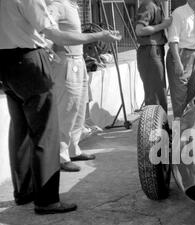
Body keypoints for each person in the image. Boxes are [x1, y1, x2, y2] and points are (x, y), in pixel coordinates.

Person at [0, 0, 120, 214]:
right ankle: (46, 200)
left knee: (20, 131)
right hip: (29, 60)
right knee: (46, 132)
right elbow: (54, 34)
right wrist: (99, 36)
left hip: (6, 63)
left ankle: (24, 192)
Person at [46, 0, 95, 172]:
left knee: (79, 108)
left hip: (78, 60)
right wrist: (53, 55)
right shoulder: (57, 5)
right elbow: (47, 32)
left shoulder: (72, 6)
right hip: (67, 62)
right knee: (67, 109)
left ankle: (74, 149)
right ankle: (61, 156)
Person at [166, 0, 195, 118]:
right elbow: (173, 40)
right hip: (181, 56)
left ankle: (189, 131)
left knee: (192, 97)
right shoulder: (178, 13)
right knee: (179, 99)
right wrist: (178, 63)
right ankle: (177, 134)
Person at [135, 0, 172, 115]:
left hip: (156, 49)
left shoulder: (158, 5)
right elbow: (139, 30)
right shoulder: (148, 5)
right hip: (150, 50)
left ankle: (161, 127)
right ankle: (154, 129)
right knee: (154, 94)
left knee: (160, 92)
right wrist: (162, 25)